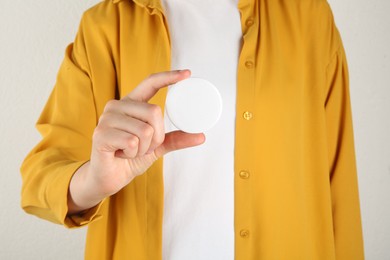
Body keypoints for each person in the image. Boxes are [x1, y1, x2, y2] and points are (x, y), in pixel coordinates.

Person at [20, 0, 365, 259]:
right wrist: (95, 178)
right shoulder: (107, 25)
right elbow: (42, 179)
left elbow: (338, 182)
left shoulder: (309, 17)